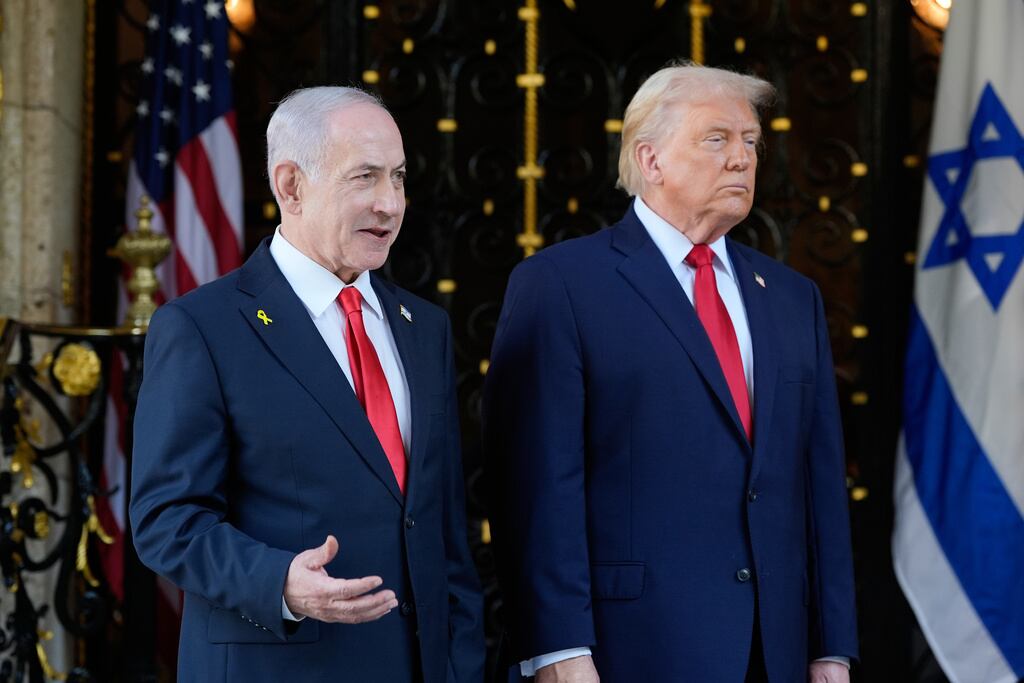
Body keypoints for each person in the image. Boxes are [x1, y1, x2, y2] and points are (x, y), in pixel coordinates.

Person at [484, 63, 858, 682]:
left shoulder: (793, 298)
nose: (742, 158)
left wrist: (831, 647)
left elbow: (817, 488)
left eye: (751, 142)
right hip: (629, 649)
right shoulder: (561, 285)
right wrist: (558, 649)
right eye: (717, 139)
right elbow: (534, 486)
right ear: (650, 159)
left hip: (778, 652)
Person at [130, 86, 485, 683]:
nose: (391, 204)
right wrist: (281, 583)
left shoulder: (424, 327)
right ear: (290, 185)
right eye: (365, 177)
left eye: (397, 178)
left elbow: (443, 527)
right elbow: (166, 519)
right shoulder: (202, 327)